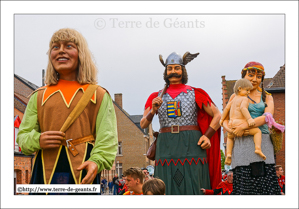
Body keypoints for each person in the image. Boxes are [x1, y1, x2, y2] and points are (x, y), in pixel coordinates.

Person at [16, 28, 118, 194]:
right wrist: (38, 140)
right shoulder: (38, 96)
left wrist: (97, 162)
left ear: (81, 53)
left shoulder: (98, 95)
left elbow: (107, 139)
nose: (61, 50)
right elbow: (23, 137)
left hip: (83, 171)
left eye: (69, 46)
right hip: (44, 172)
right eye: (55, 47)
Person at [140, 52, 222, 195]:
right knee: (165, 183)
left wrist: (208, 135)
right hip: (166, 145)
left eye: (176, 68)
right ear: (165, 71)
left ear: (183, 70)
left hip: (192, 143)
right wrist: (153, 110)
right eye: (170, 68)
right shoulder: (155, 97)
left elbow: (218, 116)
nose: (173, 72)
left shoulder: (196, 93)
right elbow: (143, 124)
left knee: (194, 182)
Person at [222, 61, 281, 195]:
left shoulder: (267, 96)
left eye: (259, 77)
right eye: (251, 75)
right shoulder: (234, 96)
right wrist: (230, 130)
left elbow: (268, 116)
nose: (254, 79)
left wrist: (244, 125)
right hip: (241, 144)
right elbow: (224, 119)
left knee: (266, 184)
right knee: (244, 184)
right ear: (243, 76)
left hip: (262, 141)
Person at [220, 78, 266, 165]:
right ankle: (258, 148)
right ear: (240, 89)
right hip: (240, 123)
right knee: (257, 131)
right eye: (247, 90)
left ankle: (229, 154)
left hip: (231, 124)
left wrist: (222, 119)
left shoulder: (233, 99)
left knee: (230, 137)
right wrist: (249, 119)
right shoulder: (244, 99)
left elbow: (226, 109)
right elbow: (243, 108)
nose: (249, 92)